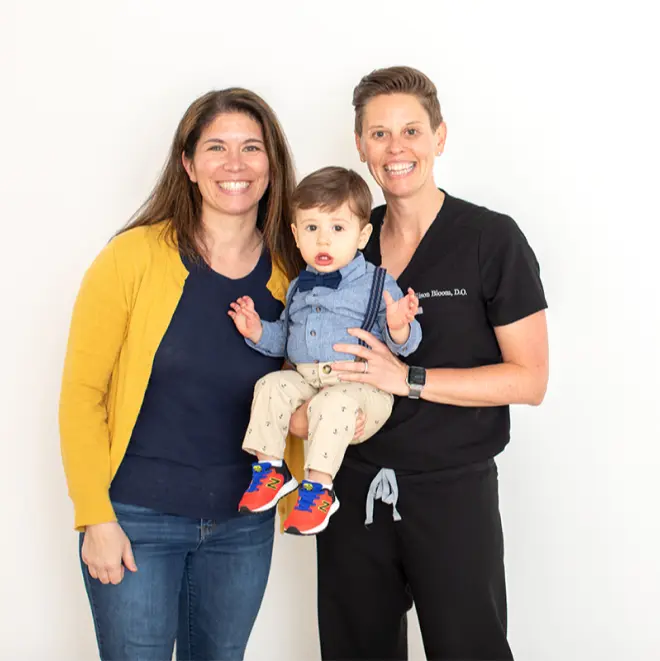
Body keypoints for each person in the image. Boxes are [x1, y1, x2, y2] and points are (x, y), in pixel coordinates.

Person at [309, 66, 549, 660]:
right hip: (352, 491)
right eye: (380, 134)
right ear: (361, 145)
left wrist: (408, 378)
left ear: (440, 137)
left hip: (452, 496)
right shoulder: (344, 243)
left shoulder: (490, 239)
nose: (397, 149)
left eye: (412, 131)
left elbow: (530, 379)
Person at [58, 88, 305, 660]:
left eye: (251, 148)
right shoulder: (132, 258)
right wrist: (95, 517)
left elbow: (307, 389)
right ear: (189, 165)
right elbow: (81, 397)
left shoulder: (297, 276)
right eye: (216, 148)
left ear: (272, 165)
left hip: (243, 526)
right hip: (136, 520)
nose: (235, 164)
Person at [228, 166, 422, 536]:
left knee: (333, 405)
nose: (323, 241)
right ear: (295, 234)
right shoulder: (299, 286)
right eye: (312, 228)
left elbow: (407, 346)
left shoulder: (378, 283)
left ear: (362, 235)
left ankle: (318, 489)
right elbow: (286, 338)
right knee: (270, 384)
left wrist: (399, 323)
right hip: (310, 381)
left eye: (337, 228)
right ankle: (270, 469)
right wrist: (256, 331)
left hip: (362, 389)